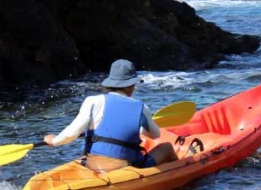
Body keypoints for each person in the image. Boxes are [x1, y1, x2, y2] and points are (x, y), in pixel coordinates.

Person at [43, 59, 178, 173]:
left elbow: (71, 133)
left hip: (92, 165)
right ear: (130, 86)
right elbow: (155, 135)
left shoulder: (92, 101)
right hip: (125, 168)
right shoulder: (141, 107)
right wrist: (141, 128)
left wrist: (54, 141)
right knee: (166, 147)